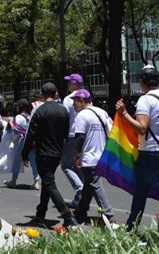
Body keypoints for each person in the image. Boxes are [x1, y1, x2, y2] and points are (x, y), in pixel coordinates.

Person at [115, 65, 159, 239]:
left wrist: (123, 113)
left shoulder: (145, 100)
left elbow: (142, 128)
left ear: (141, 82)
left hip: (149, 154)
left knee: (140, 195)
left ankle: (130, 233)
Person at [22, 83, 78, 227]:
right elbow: (67, 133)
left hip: (43, 153)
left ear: (42, 94)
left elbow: (31, 134)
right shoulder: (63, 111)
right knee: (48, 183)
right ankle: (40, 214)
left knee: (49, 184)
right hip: (57, 152)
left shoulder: (39, 111)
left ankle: (68, 217)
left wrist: (25, 153)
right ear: (56, 94)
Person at [70, 89, 115, 224]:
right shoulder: (102, 112)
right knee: (89, 185)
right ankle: (80, 212)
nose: (73, 105)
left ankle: (109, 215)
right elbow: (111, 132)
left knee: (94, 184)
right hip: (102, 155)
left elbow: (79, 137)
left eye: (75, 102)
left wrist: (77, 155)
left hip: (89, 156)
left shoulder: (82, 115)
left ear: (83, 101)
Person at [3, 99, 41, 189]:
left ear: (20, 106)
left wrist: (10, 123)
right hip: (31, 141)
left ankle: (13, 180)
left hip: (21, 141)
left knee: (17, 160)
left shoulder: (19, 117)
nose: (16, 107)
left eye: (17, 105)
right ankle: (36, 181)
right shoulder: (29, 116)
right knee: (33, 161)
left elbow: (15, 132)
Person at [61, 73, 85, 208]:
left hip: (71, 135)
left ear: (75, 84)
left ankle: (79, 187)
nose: (68, 85)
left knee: (65, 165)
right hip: (84, 135)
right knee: (79, 165)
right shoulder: (86, 97)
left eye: (70, 82)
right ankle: (81, 196)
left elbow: (64, 118)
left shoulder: (69, 99)